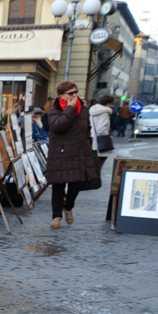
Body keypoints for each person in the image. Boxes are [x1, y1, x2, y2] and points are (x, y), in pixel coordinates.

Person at [45, 80, 98, 230]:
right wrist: (69, 108)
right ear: (61, 95)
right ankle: (56, 216)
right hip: (60, 153)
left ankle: (68, 206)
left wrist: (88, 144)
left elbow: (86, 128)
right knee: (58, 185)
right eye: (70, 93)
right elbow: (58, 127)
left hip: (79, 152)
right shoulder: (54, 110)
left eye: (75, 92)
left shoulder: (84, 109)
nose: (74, 96)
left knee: (77, 183)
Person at [90, 95, 115, 169]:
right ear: (108, 104)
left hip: (92, 141)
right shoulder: (104, 112)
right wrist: (107, 136)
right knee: (98, 167)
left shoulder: (93, 110)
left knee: (93, 166)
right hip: (100, 143)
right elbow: (101, 129)